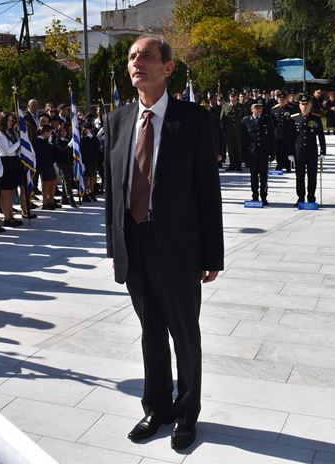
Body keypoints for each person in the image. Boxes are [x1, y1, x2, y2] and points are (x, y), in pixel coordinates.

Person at [104, 36, 223, 451]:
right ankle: (156, 408)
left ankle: (186, 414)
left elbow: (207, 192)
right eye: (132, 57)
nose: (137, 62)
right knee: (150, 332)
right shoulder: (118, 120)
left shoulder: (194, 120)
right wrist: (114, 248)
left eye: (147, 56)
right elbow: (115, 192)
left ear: (168, 68)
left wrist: (212, 255)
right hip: (134, 244)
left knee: (184, 335)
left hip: (179, 248)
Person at [287, 94, 326, 205]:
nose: (304, 107)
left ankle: (311, 197)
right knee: (300, 176)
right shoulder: (294, 118)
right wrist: (290, 152)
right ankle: (301, 198)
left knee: (312, 176)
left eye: (307, 105)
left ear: (310, 105)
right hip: (298, 152)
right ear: (299, 105)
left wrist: (323, 151)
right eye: (302, 104)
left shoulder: (316, 118)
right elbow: (290, 137)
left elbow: (321, 136)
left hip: (311, 151)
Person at [241, 101, 274, 204]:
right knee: (254, 176)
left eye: (260, 108)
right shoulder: (246, 121)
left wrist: (272, 152)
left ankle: (264, 196)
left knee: (264, 176)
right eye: (256, 108)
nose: (259, 110)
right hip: (252, 154)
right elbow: (243, 140)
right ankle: (255, 196)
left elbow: (271, 138)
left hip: (264, 153)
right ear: (252, 110)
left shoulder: (267, 119)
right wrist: (244, 156)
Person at [0, 112, 24, 227]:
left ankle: (11, 216)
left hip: (14, 162)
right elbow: (8, 150)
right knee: (5, 192)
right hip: (5, 162)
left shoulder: (12, 133)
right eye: (9, 120)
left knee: (11, 192)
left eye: (12, 120)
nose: (11, 123)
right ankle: (7, 218)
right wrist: (19, 142)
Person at [220, 90, 245, 171]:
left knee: (238, 148)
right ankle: (232, 164)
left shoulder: (242, 106)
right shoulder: (225, 106)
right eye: (231, 96)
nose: (233, 98)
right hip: (229, 132)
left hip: (238, 131)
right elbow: (222, 120)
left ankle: (238, 165)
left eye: (234, 96)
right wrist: (223, 132)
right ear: (229, 97)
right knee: (230, 149)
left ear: (237, 97)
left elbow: (245, 120)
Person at [36, 124, 58, 209]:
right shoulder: (39, 140)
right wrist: (49, 144)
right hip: (44, 165)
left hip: (50, 164)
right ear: (45, 132)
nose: (50, 135)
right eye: (50, 133)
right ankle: (45, 203)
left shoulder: (46, 141)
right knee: (46, 184)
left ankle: (51, 201)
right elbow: (44, 151)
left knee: (53, 181)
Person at [271, 92, 294, 173]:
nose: (281, 101)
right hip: (278, 133)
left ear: (286, 100)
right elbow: (272, 123)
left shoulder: (291, 109)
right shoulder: (274, 109)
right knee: (279, 150)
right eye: (280, 100)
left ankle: (287, 165)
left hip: (288, 133)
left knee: (287, 150)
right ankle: (279, 165)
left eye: (283, 100)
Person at [81, 120, 101, 202]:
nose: (89, 130)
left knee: (93, 176)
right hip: (86, 160)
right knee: (87, 177)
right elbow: (83, 148)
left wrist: (92, 137)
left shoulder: (93, 137)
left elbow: (98, 144)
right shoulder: (82, 138)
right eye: (87, 129)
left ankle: (91, 192)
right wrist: (87, 138)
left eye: (90, 129)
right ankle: (85, 193)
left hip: (93, 159)